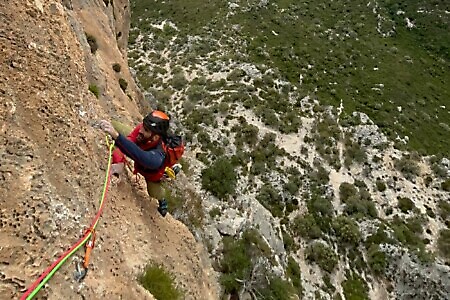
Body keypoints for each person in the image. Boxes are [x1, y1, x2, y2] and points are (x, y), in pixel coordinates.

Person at [98, 110, 173, 217]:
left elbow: (140, 156)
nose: (141, 130)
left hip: (150, 174)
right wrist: (120, 160)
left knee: (154, 192)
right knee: (114, 125)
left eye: (146, 129)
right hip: (142, 148)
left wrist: (117, 137)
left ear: (155, 137)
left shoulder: (157, 157)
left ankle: (162, 199)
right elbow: (130, 141)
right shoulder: (144, 132)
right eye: (143, 125)